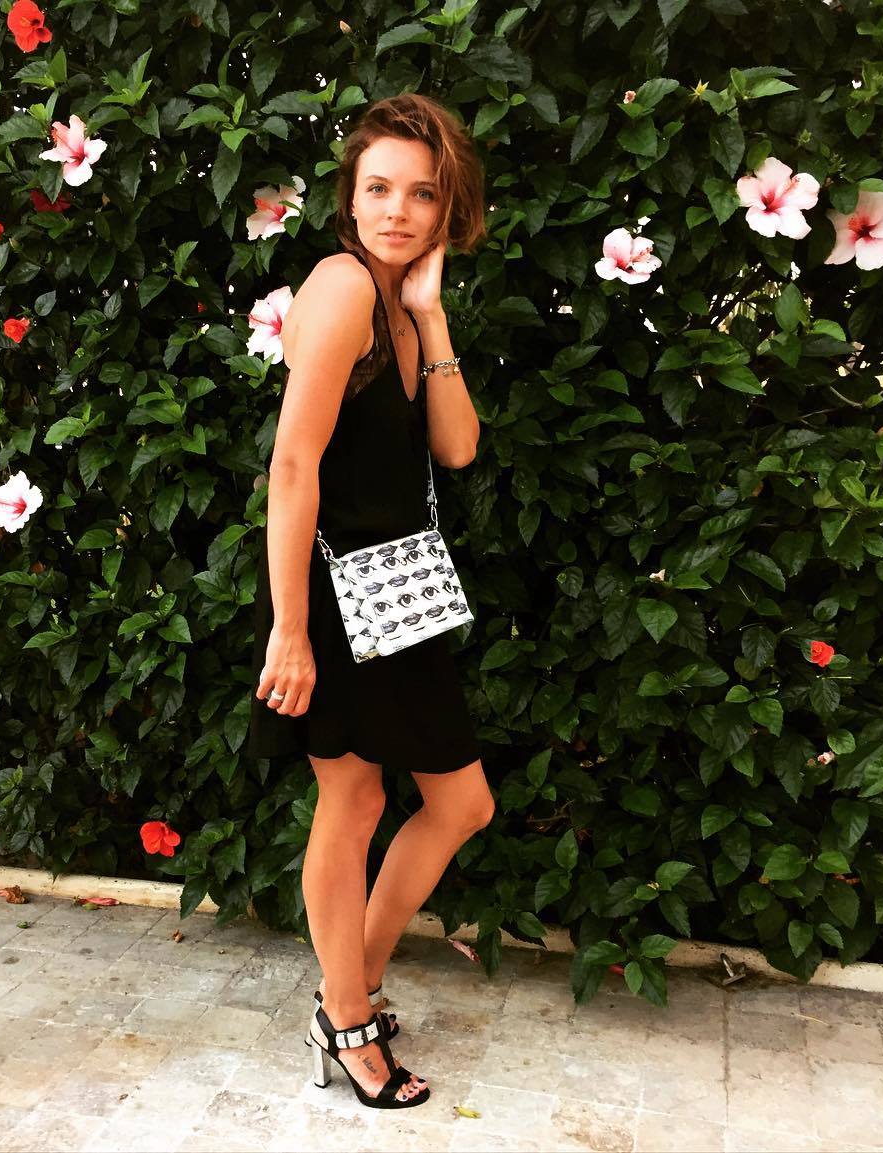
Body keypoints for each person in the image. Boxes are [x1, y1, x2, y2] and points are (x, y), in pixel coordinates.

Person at [247, 93, 495, 1111]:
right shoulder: (344, 286)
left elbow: (457, 447)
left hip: (395, 593)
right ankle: (348, 1016)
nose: (398, 210)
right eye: (379, 188)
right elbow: (292, 465)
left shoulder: (397, 302)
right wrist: (290, 630)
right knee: (351, 802)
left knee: (460, 802)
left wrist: (431, 314)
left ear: (447, 210)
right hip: (332, 595)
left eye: (421, 194)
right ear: (349, 200)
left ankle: (349, 988)